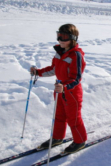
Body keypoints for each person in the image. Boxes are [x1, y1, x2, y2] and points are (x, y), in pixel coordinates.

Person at [30, 24, 87, 153]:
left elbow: (76, 78)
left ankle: (80, 141)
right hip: (59, 89)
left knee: (74, 118)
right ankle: (57, 138)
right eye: (59, 36)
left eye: (64, 37)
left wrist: (65, 87)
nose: (61, 40)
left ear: (73, 39)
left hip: (71, 92)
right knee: (59, 116)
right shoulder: (59, 53)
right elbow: (53, 69)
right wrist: (37, 72)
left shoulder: (75, 55)